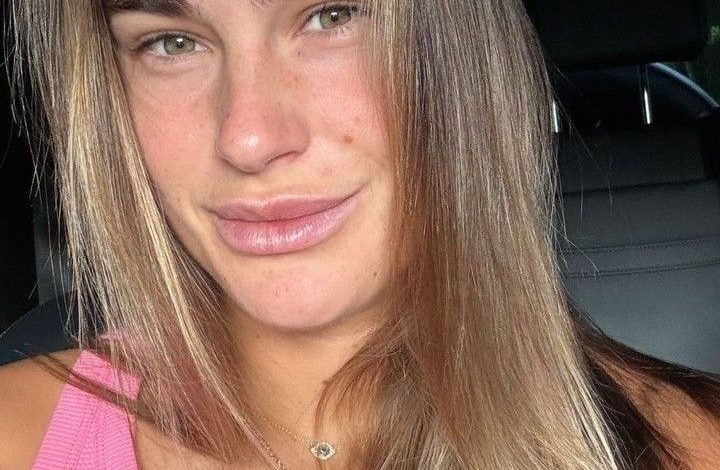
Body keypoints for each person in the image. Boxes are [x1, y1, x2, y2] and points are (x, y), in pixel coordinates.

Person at [0, 0, 719, 469]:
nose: (249, 138)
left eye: (331, 16)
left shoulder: (694, 447)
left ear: (459, 59)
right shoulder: (15, 434)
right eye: (172, 42)